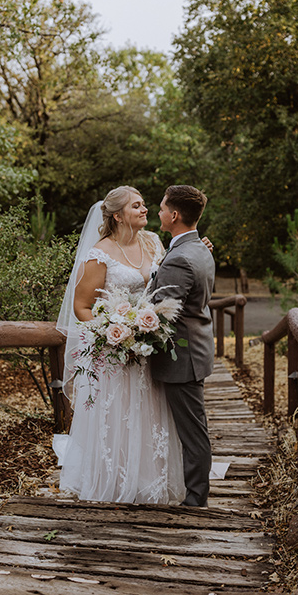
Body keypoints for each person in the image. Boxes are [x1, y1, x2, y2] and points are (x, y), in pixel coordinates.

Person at [53, 186, 186, 504]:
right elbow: (82, 307)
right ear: (117, 215)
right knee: (120, 415)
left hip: (149, 346)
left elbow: (167, 283)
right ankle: (115, 478)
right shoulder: (100, 253)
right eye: (136, 206)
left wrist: (150, 328)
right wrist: (112, 331)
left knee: (151, 411)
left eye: (144, 205)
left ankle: (153, 479)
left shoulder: (153, 242)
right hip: (114, 353)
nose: (145, 210)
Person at [150, 185, 215, 507]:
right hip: (196, 347)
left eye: (162, 208)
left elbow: (163, 312)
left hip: (183, 355)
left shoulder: (180, 258)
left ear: (174, 215)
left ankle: (196, 498)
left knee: (193, 431)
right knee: (194, 426)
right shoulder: (199, 249)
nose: (158, 213)